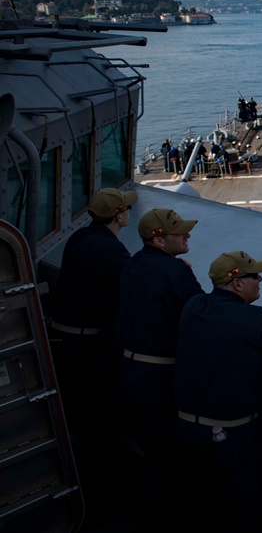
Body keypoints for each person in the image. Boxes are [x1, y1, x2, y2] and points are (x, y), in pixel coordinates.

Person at [174, 251, 262, 533]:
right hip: (233, 438)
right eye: (254, 276)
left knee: (203, 505)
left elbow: (231, 316)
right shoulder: (252, 322)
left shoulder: (194, 306)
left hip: (188, 430)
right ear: (237, 283)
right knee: (245, 508)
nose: (260, 279)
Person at [49, 187, 136, 511]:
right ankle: (101, 496)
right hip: (89, 349)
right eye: (125, 209)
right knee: (101, 421)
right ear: (119, 215)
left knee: (80, 418)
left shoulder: (78, 240)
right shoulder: (113, 253)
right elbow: (131, 287)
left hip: (64, 342)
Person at [118, 208, 203, 532]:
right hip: (159, 379)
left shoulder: (133, 264)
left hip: (130, 371)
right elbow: (202, 317)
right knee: (167, 457)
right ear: (159, 238)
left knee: (149, 450)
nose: (187, 234)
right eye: (179, 231)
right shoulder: (175, 273)